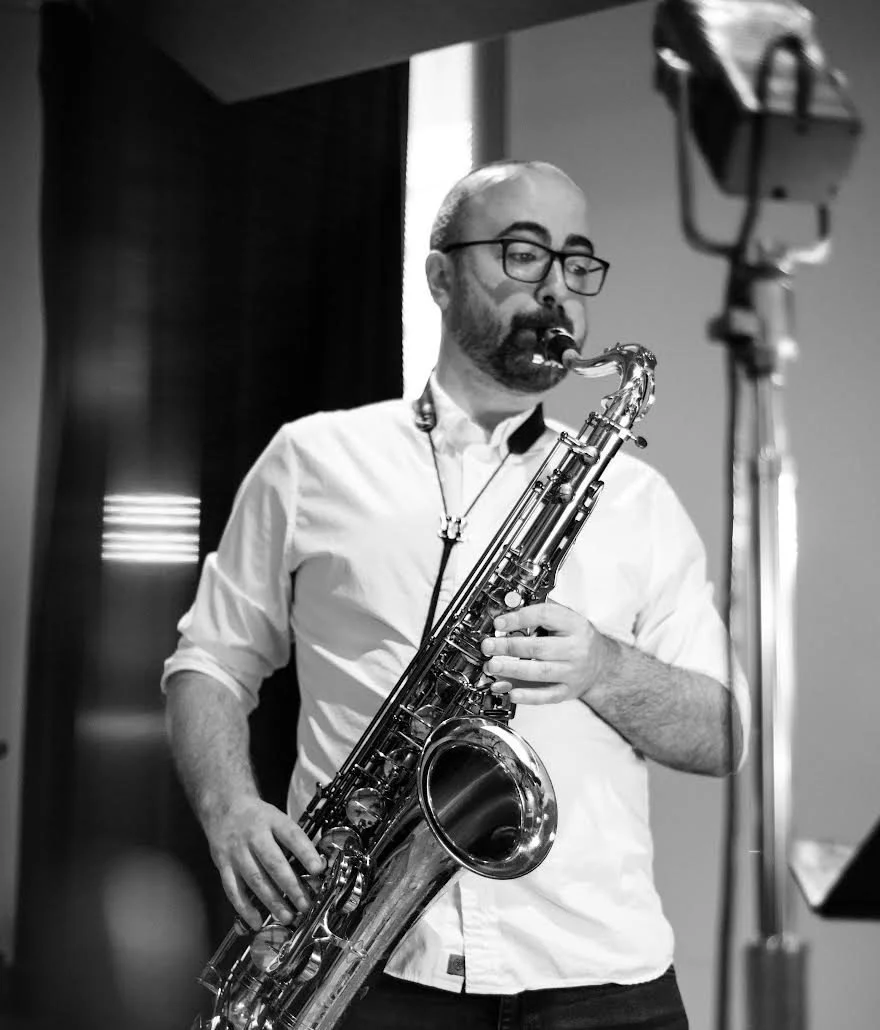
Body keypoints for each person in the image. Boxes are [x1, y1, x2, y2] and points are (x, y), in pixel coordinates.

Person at [162, 159, 749, 1030]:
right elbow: (208, 661)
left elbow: (723, 734)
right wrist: (230, 812)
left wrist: (602, 667)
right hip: (365, 964)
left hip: (599, 974)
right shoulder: (313, 459)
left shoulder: (639, 498)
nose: (557, 290)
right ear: (439, 274)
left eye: (576, 264)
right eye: (522, 254)